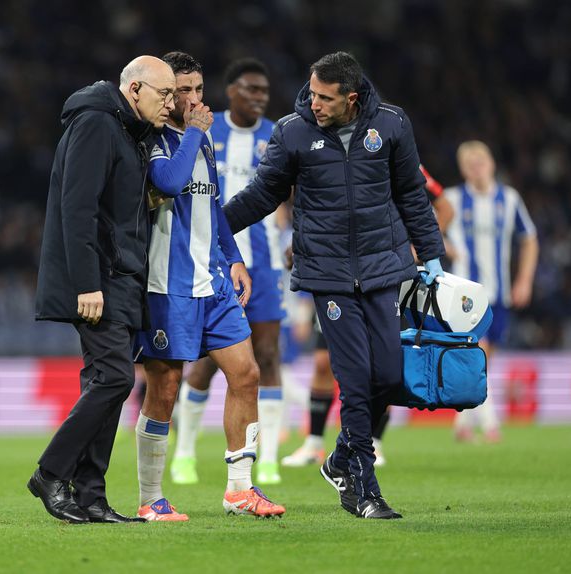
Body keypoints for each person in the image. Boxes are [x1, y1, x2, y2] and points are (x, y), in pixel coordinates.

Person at [224, 52, 445, 519]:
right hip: (328, 274)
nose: (314, 103)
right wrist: (214, 228)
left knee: (388, 375)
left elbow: (410, 192)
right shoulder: (292, 131)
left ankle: (342, 456)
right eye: (312, 93)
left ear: (352, 98)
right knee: (355, 379)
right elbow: (264, 193)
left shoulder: (390, 124)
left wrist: (433, 255)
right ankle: (364, 489)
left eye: (325, 98)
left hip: (385, 268)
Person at [134, 51, 286, 522]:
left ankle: (240, 489)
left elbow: (213, 206)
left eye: (200, 90)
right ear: (164, 92)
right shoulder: (152, 139)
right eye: (184, 91)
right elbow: (170, 183)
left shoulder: (201, 142)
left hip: (214, 281)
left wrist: (235, 258)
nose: (196, 100)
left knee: (247, 373)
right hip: (167, 284)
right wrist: (197, 131)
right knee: (165, 386)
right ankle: (151, 497)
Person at [27, 55, 176, 525]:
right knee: (116, 379)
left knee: (105, 385)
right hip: (100, 281)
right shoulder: (95, 122)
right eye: (164, 94)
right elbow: (78, 208)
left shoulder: (129, 133)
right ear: (134, 91)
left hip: (123, 277)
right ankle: (51, 473)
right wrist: (87, 284)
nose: (171, 104)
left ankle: (90, 494)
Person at [282, 164, 454, 468]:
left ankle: (373, 442)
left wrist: (416, 247)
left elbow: (444, 207)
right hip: (340, 274)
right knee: (323, 362)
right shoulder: (341, 158)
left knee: (383, 362)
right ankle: (314, 443)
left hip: (385, 275)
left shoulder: (402, 160)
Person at [170, 57, 288, 486]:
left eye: (264, 92)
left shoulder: (276, 136)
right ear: (231, 90)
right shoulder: (204, 129)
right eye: (251, 89)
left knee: (268, 357)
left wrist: (295, 234)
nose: (259, 97)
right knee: (204, 364)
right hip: (208, 262)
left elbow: (293, 192)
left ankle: (269, 457)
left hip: (266, 261)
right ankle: (183, 454)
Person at [445, 140, 538, 443]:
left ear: (492, 164)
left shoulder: (509, 200)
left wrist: (524, 280)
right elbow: (425, 229)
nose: (477, 169)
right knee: (479, 356)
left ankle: (461, 422)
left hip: (499, 294)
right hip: (465, 295)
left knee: (484, 360)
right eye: (470, 165)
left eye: (480, 162)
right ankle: (490, 424)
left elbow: (529, 239)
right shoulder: (453, 199)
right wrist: (442, 246)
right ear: (463, 170)